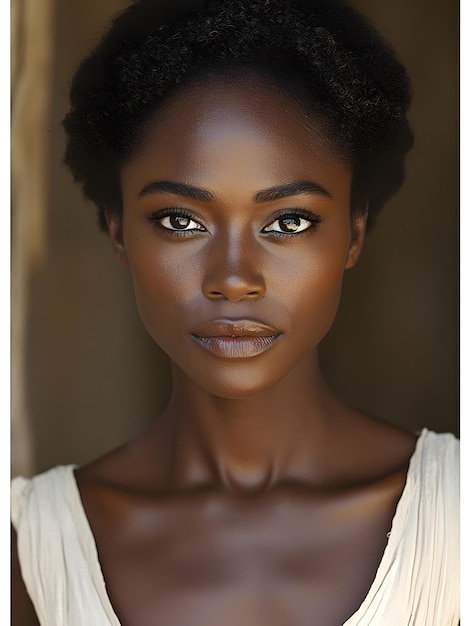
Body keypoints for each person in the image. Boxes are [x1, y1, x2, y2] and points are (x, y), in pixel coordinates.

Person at [11, 0, 459, 624]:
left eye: (289, 222)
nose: (233, 279)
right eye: (181, 221)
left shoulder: (455, 518)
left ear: (354, 235)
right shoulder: (29, 554)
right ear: (117, 233)